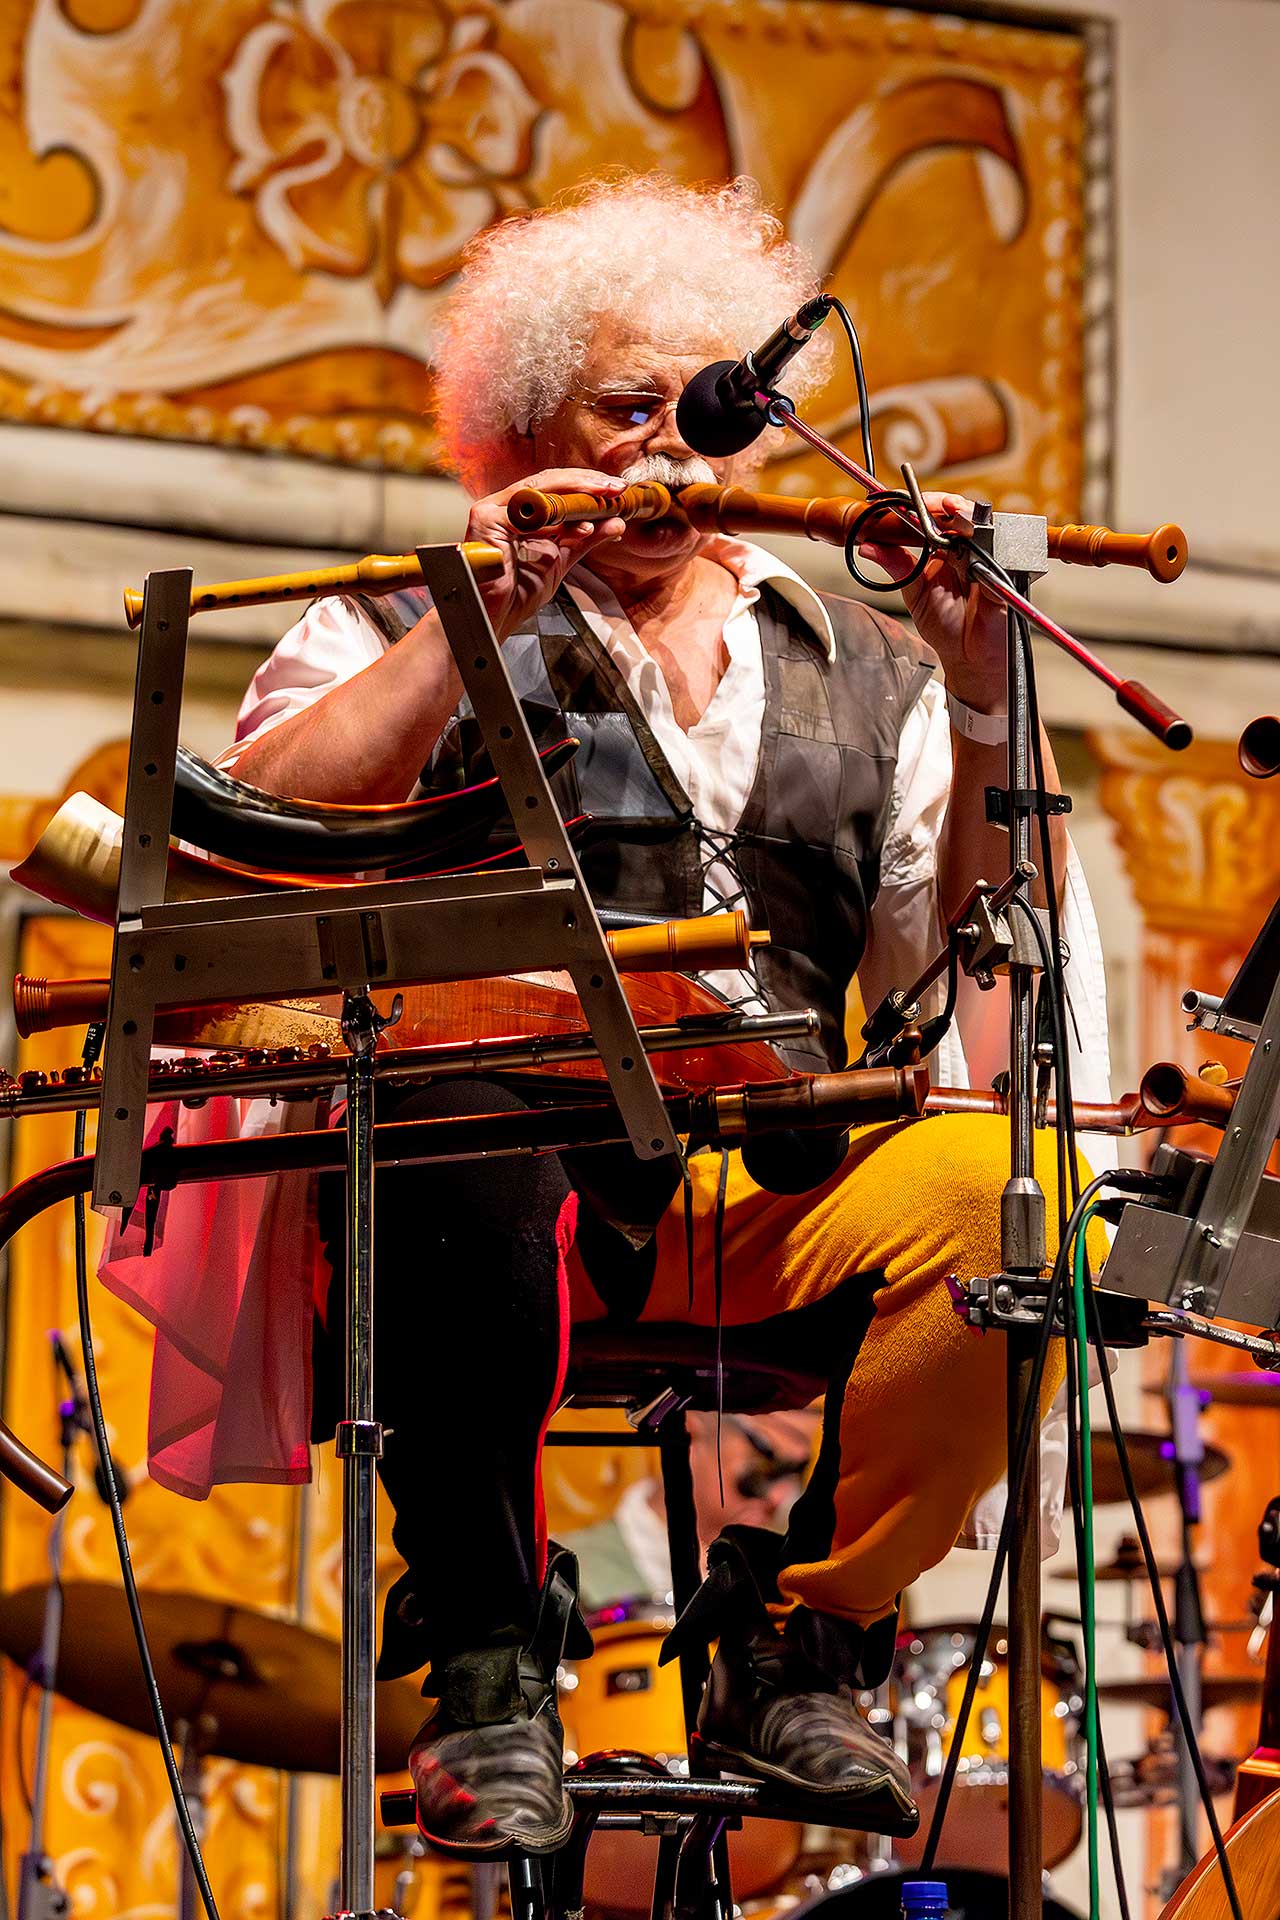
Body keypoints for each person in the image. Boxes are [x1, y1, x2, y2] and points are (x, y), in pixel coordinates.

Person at [105, 175, 1111, 1858]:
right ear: (521, 429)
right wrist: (470, 629)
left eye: (709, 412)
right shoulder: (403, 613)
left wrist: (983, 690)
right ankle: (490, 1659)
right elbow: (247, 846)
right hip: (499, 1192)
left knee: (1022, 1205)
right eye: (626, 407)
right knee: (453, 1117)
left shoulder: (868, 666)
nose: (670, 452)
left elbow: (983, 954)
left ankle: (800, 1640)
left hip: (772, 1183)